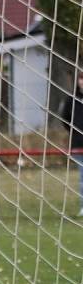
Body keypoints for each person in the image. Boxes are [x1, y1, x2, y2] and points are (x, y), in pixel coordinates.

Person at [62, 70, 83, 216]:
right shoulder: (71, 100)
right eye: (81, 79)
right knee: (82, 177)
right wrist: (75, 133)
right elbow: (65, 119)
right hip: (79, 145)